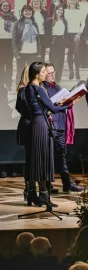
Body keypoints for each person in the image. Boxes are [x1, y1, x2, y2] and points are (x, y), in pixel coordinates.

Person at [24, 62, 74, 207]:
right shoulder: (38, 88)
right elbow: (52, 107)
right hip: (42, 125)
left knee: (38, 159)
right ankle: (44, 195)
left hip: (36, 123)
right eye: (44, 71)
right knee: (44, 159)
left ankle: (34, 193)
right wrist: (69, 104)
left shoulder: (29, 88)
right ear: (36, 74)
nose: (46, 74)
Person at [42, 63, 82, 192]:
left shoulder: (57, 87)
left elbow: (61, 104)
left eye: (53, 72)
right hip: (50, 126)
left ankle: (67, 183)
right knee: (49, 157)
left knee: (62, 155)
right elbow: (50, 107)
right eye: (49, 73)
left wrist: (71, 100)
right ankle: (47, 185)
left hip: (60, 125)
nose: (53, 75)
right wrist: (65, 104)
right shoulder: (42, 89)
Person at [15, 65, 34, 203]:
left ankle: (31, 189)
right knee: (30, 158)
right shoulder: (23, 90)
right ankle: (29, 189)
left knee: (32, 158)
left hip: (30, 124)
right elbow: (21, 107)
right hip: (29, 125)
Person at [12, 5, 42, 74]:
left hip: (33, 52)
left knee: (32, 73)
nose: (28, 12)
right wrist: (16, 53)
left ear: (32, 12)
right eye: (26, 11)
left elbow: (38, 39)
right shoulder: (17, 23)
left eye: (29, 11)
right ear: (22, 12)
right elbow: (14, 40)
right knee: (20, 73)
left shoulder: (34, 24)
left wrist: (39, 51)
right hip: (22, 52)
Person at [44, 4, 68, 81]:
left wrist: (67, 46)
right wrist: (47, 46)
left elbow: (66, 34)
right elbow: (47, 34)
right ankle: (52, 80)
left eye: (61, 10)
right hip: (53, 42)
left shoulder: (64, 21)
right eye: (58, 10)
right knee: (54, 63)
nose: (60, 11)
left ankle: (58, 81)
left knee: (61, 63)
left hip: (62, 42)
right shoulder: (50, 20)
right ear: (55, 10)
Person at [64, 0, 84, 80]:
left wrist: (79, 34)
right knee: (69, 53)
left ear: (76, 2)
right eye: (71, 0)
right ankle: (71, 71)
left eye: (74, 0)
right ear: (68, 1)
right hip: (67, 35)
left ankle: (77, 72)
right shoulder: (65, 11)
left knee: (76, 53)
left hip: (76, 34)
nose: (72, 2)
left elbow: (83, 24)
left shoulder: (79, 12)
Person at [0, 0, 17, 88]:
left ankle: (9, 83)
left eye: (7, 5)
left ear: (9, 7)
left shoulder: (13, 18)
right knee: (1, 65)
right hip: (0, 43)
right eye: (4, 5)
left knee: (9, 64)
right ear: (1, 7)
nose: (5, 7)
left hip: (10, 43)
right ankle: (2, 83)